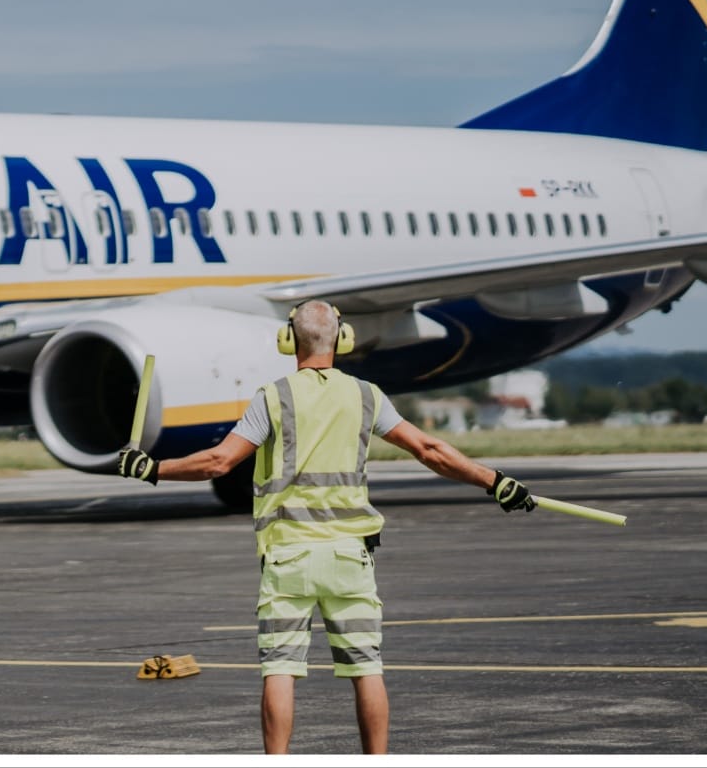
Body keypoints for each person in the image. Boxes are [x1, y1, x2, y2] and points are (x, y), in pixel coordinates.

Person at [115, 299, 536, 755]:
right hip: (349, 557)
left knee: (280, 668)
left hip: (288, 557)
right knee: (366, 668)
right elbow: (429, 449)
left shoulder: (273, 397)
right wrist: (494, 481)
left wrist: (151, 469)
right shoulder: (366, 395)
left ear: (288, 340)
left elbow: (219, 462)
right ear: (343, 338)